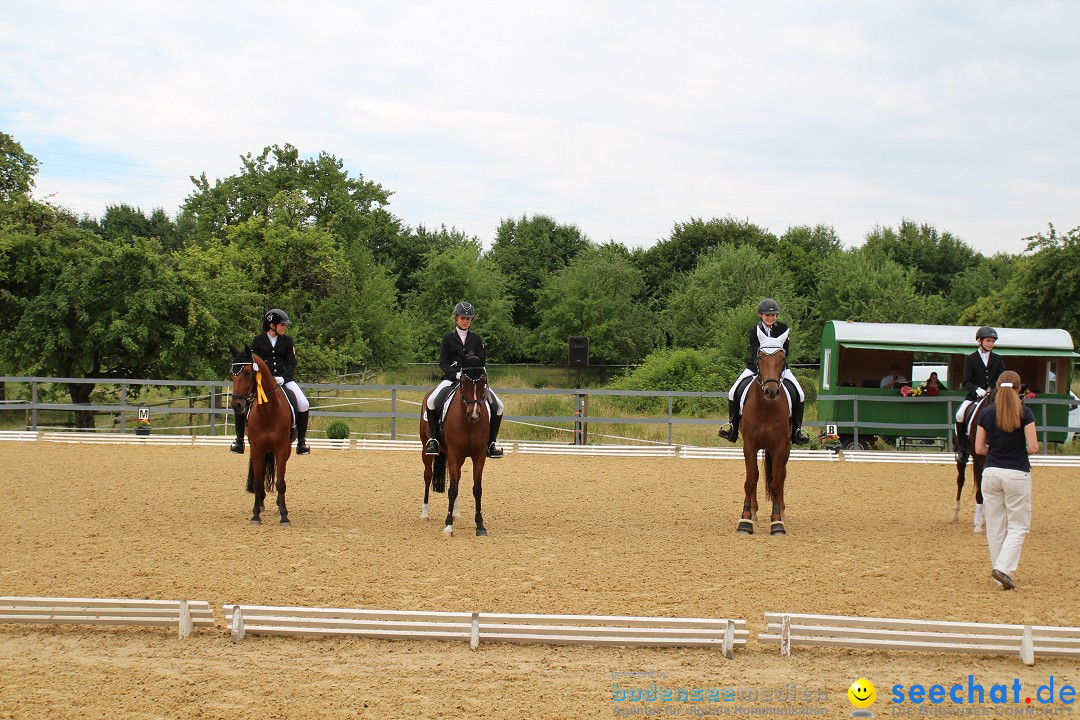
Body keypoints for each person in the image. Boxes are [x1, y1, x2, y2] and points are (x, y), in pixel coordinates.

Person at [974, 371, 1038, 590]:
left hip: (991, 472)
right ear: (1019, 389)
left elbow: (979, 448)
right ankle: (1003, 568)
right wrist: (1015, 449)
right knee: (1018, 526)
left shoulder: (987, 413)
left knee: (994, 525)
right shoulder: (1025, 412)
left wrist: (998, 448)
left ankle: (999, 573)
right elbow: (1034, 447)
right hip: (1017, 473)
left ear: (998, 388)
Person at [718, 298, 811, 445]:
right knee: (732, 391)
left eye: (773, 315)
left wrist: (775, 368)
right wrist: (762, 369)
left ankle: (797, 431)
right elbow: (755, 352)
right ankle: (733, 427)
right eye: (767, 315)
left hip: (779, 369)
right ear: (760, 315)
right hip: (756, 368)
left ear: (776, 316)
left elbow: (785, 352)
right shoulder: (754, 331)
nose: (770, 318)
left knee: (800, 394)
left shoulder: (783, 329)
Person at [423, 301, 505, 458]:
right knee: (431, 401)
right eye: (462, 318)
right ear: (456, 319)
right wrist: (456, 375)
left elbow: (482, 362)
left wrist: (480, 376)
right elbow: (443, 363)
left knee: (499, 406)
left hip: (473, 382)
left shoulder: (476, 339)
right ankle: (433, 440)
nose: (465, 321)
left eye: (468, 318)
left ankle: (491, 443)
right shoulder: (448, 338)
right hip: (452, 379)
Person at [231, 309, 311, 455]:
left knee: (304, 403)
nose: (284, 327)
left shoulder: (287, 341)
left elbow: (291, 363)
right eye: (282, 325)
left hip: (284, 380)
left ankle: (301, 441)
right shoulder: (258, 340)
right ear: (272, 325)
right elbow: (254, 362)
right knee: (243, 400)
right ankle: (239, 440)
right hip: (263, 381)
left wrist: (284, 378)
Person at [955, 326, 1006, 452]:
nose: (991, 344)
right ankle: (962, 448)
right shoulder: (970, 359)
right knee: (959, 415)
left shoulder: (998, 359)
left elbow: (1002, 378)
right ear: (979, 340)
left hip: (994, 395)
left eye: (993, 341)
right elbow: (967, 381)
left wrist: (993, 389)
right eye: (988, 341)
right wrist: (976, 389)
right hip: (975, 395)